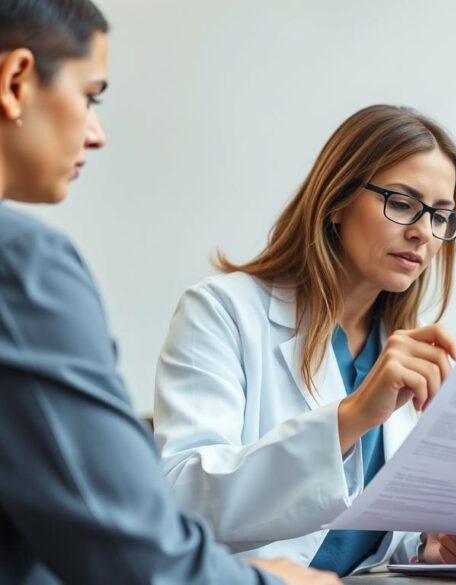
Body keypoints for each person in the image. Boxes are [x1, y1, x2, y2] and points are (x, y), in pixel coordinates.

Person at [0, 1, 339, 583]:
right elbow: (133, 550)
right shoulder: (23, 264)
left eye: (444, 215)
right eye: (91, 95)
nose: (96, 133)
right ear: (15, 81)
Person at [152, 104, 456, 575]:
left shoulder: (410, 350)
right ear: (336, 201)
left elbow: (371, 539)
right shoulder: (221, 311)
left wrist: (429, 548)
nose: (422, 232)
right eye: (403, 203)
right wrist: (348, 419)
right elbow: (181, 499)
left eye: (440, 216)